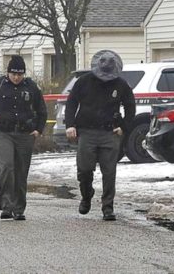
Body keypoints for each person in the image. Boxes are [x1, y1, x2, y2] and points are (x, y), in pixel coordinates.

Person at [65, 50, 136, 221]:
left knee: (109, 172)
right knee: (84, 170)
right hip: (86, 131)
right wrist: (70, 125)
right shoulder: (84, 82)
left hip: (109, 132)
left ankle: (108, 207)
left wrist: (124, 127)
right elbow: (71, 103)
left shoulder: (121, 84)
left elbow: (130, 106)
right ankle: (87, 195)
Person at [0, 55, 47, 220]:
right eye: (13, 74)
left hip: (25, 133)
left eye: (19, 74)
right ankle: (7, 206)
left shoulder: (31, 87)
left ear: (24, 74)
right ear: (8, 72)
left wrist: (38, 130)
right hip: (4, 132)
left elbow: (42, 110)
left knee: (21, 171)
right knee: (7, 166)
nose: (16, 77)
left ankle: (19, 208)